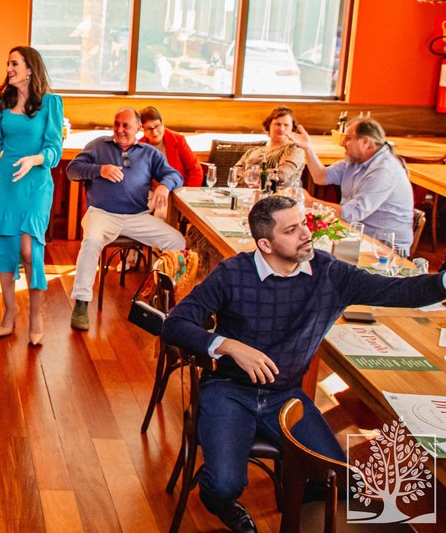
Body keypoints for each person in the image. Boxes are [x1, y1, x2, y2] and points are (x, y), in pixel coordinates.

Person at [161, 195, 446, 533]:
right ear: (266, 244)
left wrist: (442, 282)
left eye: (304, 224)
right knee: (224, 485)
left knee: (340, 479)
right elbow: (174, 325)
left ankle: (299, 503)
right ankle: (223, 503)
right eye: (291, 230)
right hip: (229, 391)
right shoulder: (232, 274)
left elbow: (398, 291)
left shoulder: (330, 273)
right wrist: (230, 346)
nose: (306, 234)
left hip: (286, 397)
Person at [0, 47, 63, 344]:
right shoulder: (1, 103)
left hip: (36, 183)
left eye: (14, 63)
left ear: (30, 69)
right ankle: (9, 312)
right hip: (7, 182)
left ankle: (35, 316)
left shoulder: (50, 103)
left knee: (29, 249)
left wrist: (35, 159)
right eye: (8, 63)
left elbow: (55, 149)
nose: (8, 68)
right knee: (5, 248)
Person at [65, 108, 185, 332]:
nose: (119, 130)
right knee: (91, 242)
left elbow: (175, 175)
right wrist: (100, 170)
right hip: (101, 213)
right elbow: (72, 171)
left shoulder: (149, 153)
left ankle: (167, 299)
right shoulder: (98, 146)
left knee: (177, 241)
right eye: (116, 124)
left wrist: (164, 185)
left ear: (139, 129)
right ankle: (81, 303)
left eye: (126, 126)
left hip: (137, 216)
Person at [290, 117, 415, 252]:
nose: (342, 143)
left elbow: (353, 213)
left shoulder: (384, 170)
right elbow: (321, 176)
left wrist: (310, 202)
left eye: (348, 138)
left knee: (313, 252)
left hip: (384, 247)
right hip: (355, 234)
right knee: (301, 248)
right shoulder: (356, 160)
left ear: (366, 142)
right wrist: (308, 148)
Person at [233, 106, 305, 189]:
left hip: (278, 195)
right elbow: (234, 172)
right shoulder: (253, 150)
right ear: (268, 126)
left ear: (292, 129)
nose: (281, 129)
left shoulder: (295, 150)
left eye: (286, 125)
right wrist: (262, 174)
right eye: (277, 124)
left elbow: (281, 175)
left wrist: (249, 174)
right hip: (244, 194)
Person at [139, 106, 203, 187]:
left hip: (178, 189)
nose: (154, 132)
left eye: (157, 126)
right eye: (149, 128)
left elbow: (195, 170)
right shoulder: (139, 146)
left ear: (162, 123)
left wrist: (187, 192)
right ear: (143, 130)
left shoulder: (178, 140)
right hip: (151, 191)